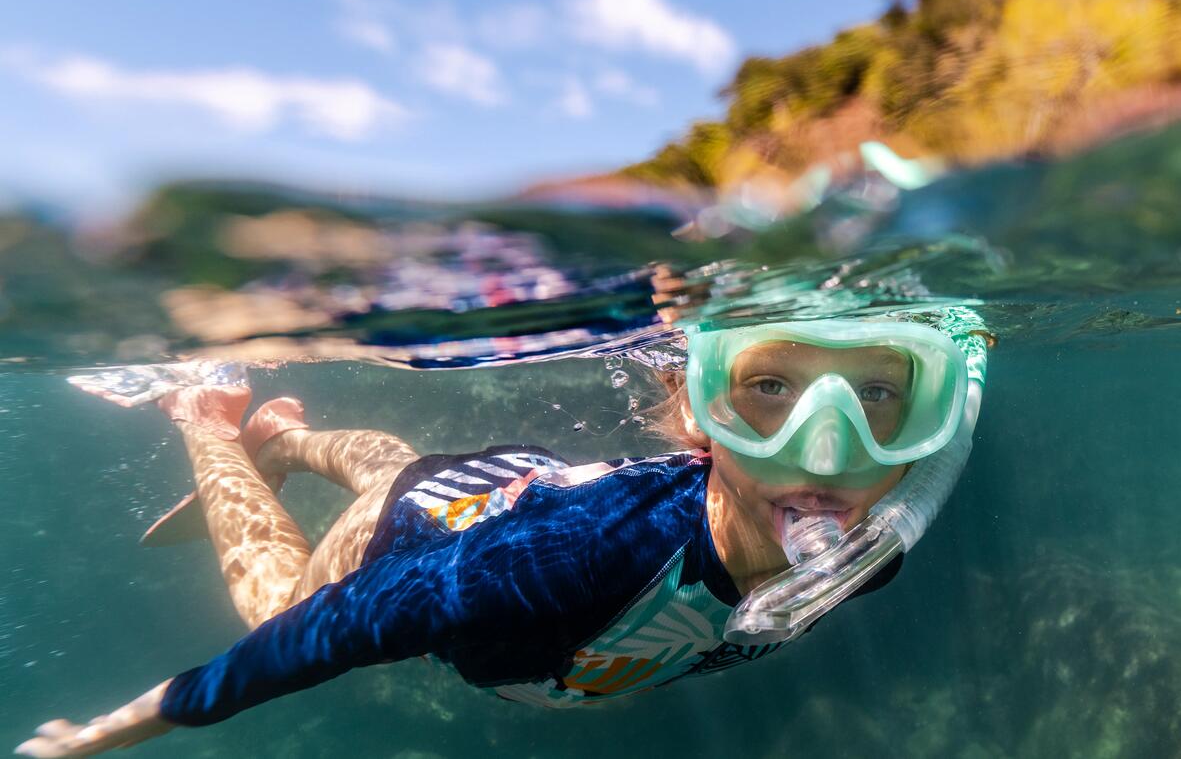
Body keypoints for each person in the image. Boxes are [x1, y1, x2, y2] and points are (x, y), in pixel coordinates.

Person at [15, 309, 989, 758]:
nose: (829, 454)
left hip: (484, 484)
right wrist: (135, 722)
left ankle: (290, 436)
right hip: (423, 534)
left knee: (398, 463)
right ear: (699, 417)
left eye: (878, 399)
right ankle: (213, 424)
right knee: (283, 595)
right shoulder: (571, 565)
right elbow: (331, 632)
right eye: (768, 390)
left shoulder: (871, 545)